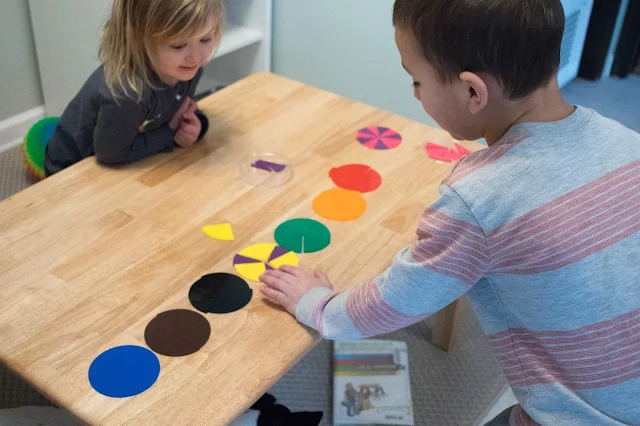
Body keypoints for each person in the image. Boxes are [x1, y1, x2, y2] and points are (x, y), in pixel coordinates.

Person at [259, 1, 640, 425]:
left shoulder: (477, 200)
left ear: (473, 92)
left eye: (417, 81)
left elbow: (394, 302)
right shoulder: (628, 141)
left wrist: (316, 305)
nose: (417, 94)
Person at [44, 0, 223, 176]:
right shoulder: (127, 93)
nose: (196, 57)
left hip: (126, 144)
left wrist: (197, 124)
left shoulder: (186, 69)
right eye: (178, 45)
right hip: (70, 167)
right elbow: (111, 154)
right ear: (140, 40)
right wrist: (169, 134)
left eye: (205, 39)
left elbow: (180, 108)